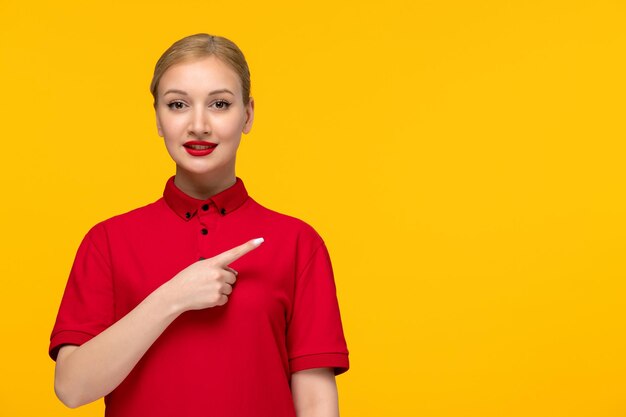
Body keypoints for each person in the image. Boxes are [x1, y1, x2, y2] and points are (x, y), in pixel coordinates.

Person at [49, 33, 349, 417]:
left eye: (220, 104)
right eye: (177, 104)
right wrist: (174, 296)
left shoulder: (297, 243)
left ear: (248, 115)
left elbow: (315, 400)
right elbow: (72, 388)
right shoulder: (107, 241)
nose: (199, 125)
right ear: (158, 117)